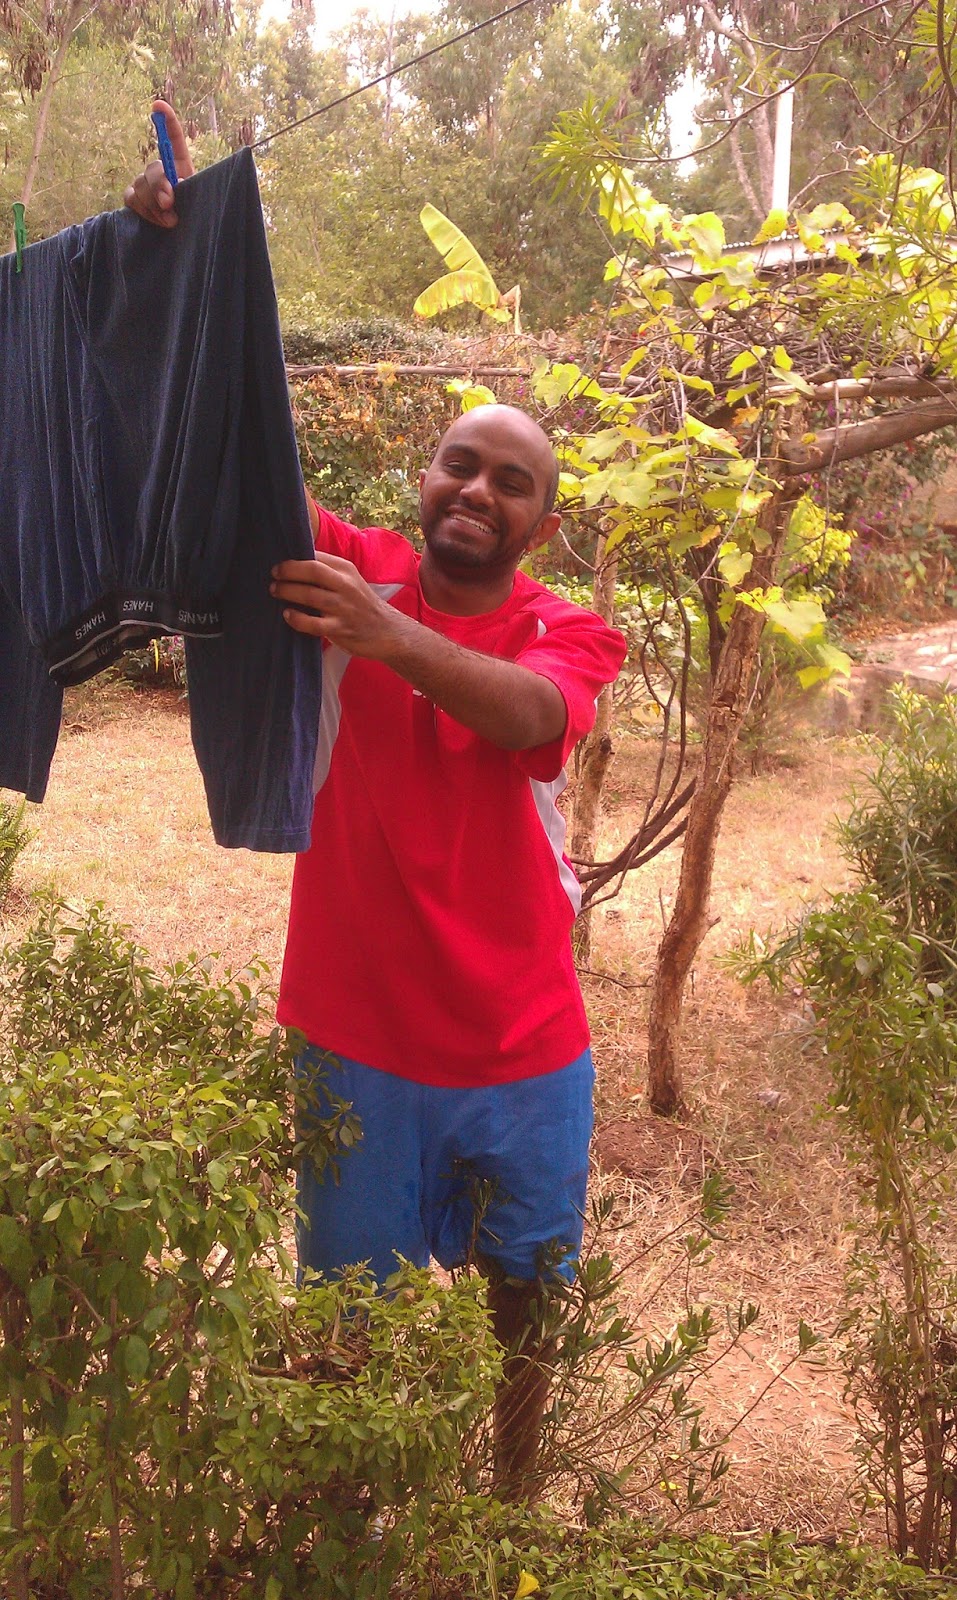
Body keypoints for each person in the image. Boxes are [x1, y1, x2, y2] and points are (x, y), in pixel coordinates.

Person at [125, 105, 628, 1501]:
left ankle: (511, 1509)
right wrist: (174, 260)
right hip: (351, 1035)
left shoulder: (567, 630)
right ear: (426, 476)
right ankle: (351, 1520)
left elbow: (529, 719)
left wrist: (386, 633)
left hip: (523, 1044)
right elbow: (227, 447)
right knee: (347, 1328)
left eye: (512, 482)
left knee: (525, 1306)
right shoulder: (347, 565)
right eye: (461, 463)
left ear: (540, 522)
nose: (478, 490)